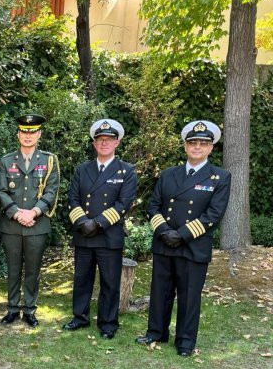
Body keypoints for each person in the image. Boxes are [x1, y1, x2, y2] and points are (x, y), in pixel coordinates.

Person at [136, 121, 231, 356]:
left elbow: (214, 214)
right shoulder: (169, 174)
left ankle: (186, 341)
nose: (197, 147)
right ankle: (156, 332)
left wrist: (182, 235)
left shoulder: (220, 177)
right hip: (164, 242)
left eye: (203, 143)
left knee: (189, 296)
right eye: (192, 143)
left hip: (193, 245)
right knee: (160, 291)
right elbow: (153, 205)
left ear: (210, 148)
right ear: (185, 146)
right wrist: (164, 231)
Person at [62, 119, 137, 339]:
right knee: (82, 279)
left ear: (117, 142)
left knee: (110, 282)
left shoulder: (126, 171)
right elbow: (72, 199)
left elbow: (123, 204)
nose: (104, 143)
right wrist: (82, 222)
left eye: (109, 139)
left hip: (108, 235)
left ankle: (108, 323)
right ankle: (79, 317)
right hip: (83, 234)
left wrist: (97, 223)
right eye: (100, 139)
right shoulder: (82, 169)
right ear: (94, 143)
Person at [0, 113, 60, 327]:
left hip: (37, 225)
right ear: (18, 134)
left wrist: (33, 213)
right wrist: (17, 214)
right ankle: (13, 309)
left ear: (39, 134)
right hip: (12, 226)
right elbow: (2, 192)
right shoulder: (6, 161)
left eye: (32, 132)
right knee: (13, 269)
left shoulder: (49, 160)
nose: (28, 135)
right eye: (24, 131)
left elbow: (51, 192)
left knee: (33, 270)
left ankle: (30, 310)